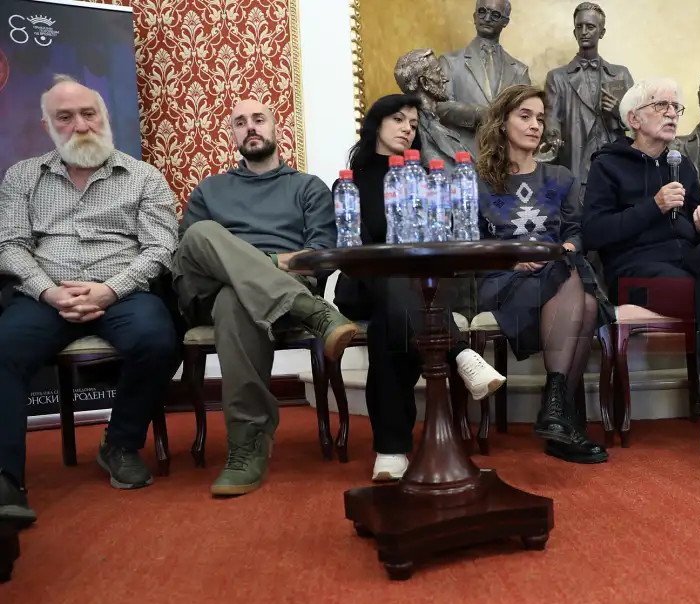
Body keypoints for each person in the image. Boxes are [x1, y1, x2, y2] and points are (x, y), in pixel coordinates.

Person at [0, 76, 179, 524]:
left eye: (88, 113)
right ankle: (5, 479)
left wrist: (110, 289)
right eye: (65, 117)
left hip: (121, 290)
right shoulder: (22, 176)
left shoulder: (144, 177)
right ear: (47, 126)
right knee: (3, 350)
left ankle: (120, 444)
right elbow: (9, 245)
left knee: (158, 340)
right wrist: (48, 290)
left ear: (104, 116)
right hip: (44, 292)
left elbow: (160, 248)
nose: (80, 125)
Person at [175, 99, 362, 497]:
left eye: (259, 119)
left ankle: (247, 445)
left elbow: (321, 257)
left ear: (277, 128)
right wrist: (276, 262)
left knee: (235, 299)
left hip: (257, 293)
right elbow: (189, 253)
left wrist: (261, 267)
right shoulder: (210, 190)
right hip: (226, 290)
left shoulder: (307, 187)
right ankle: (314, 314)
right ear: (232, 134)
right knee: (200, 234)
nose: (250, 127)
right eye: (240, 122)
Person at [583, 77, 700, 465]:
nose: (672, 114)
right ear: (634, 118)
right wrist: (654, 205)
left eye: (675, 107)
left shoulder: (682, 166)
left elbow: (696, 228)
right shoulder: (607, 165)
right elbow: (594, 233)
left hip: (686, 264)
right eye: (661, 106)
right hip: (636, 275)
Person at [332, 93, 505, 481]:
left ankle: (391, 450)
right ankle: (461, 353)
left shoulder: (426, 179)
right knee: (396, 288)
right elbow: (353, 249)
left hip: (414, 290)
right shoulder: (350, 183)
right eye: (398, 119)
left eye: (413, 123)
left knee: (390, 328)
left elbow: (437, 238)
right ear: (376, 124)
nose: (407, 129)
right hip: (366, 284)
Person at [474, 84, 610, 464]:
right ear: (502, 123)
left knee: (572, 279)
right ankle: (561, 416)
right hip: (503, 280)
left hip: (557, 272)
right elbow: (471, 242)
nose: (536, 125)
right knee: (584, 300)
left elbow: (575, 232)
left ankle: (556, 413)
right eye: (525, 116)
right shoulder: (478, 182)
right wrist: (511, 261)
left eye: (539, 117)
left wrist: (567, 247)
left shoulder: (560, 177)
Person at [542, 2, 633, 189]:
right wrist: (553, 136)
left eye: (590, 27)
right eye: (579, 26)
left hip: (615, 168)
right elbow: (551, 118)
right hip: (576, 166)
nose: (584, 32)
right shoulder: (557, 77)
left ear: (601, 32)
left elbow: (640, 122)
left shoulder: (620, 75)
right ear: (574, 32)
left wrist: (619, 112)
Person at [437, 0, 531, 152]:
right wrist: (480, 114)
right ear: (474, 16)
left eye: (495, 15)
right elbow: (441, 107)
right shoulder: (450, 62)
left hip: (504, 155)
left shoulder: (519, 71)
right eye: (482, 12)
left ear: (505, 22)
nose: (487, 18)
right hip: (462, 154)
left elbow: (526, 115)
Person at [393, 49, 470, 167]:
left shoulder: (440, 123)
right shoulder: (416, 133)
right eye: (438, 72)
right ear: (424, 83)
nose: (445, 78)